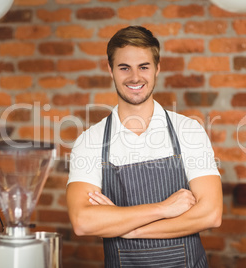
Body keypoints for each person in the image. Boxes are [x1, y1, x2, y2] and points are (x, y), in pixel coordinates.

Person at [66, 25, 223, 267]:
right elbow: (83, 221)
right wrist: (163, 209)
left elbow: (210, 214)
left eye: (144, 67)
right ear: (110, 70)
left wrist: (127, 229)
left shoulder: (188, 131)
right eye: (124, 67)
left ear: (157, 69)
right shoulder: (90, 141)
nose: (135, 77)